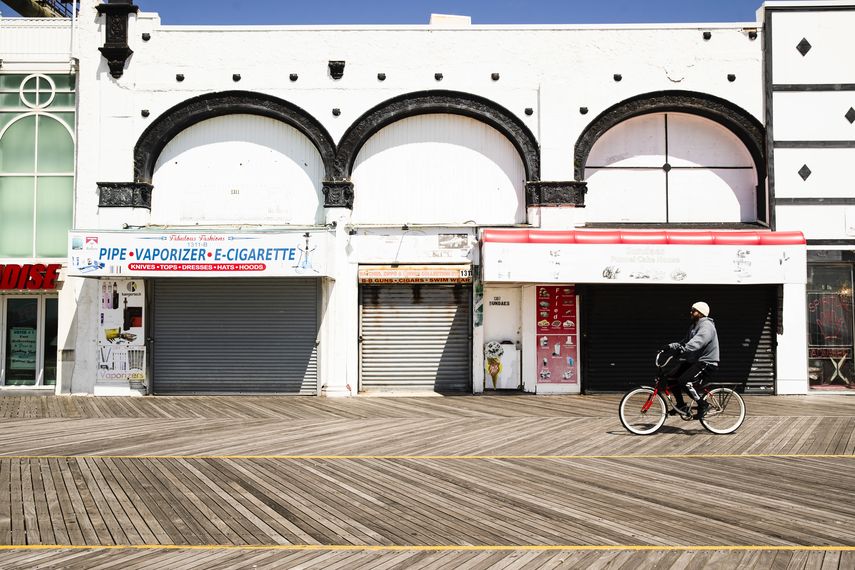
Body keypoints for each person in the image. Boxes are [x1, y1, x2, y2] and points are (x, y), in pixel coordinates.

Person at [667, 301, 719, 419]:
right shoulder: (694, 326)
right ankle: (681, 405)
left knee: (684, 381)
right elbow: (685, 341)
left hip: (707, 362)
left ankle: (703, 404)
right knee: (671, 377)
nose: (691, 312)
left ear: (701, 313)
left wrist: (684, 349)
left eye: (693, 310)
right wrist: (670, 347)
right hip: (695, 361)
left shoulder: (706, 326)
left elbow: (698, 342)